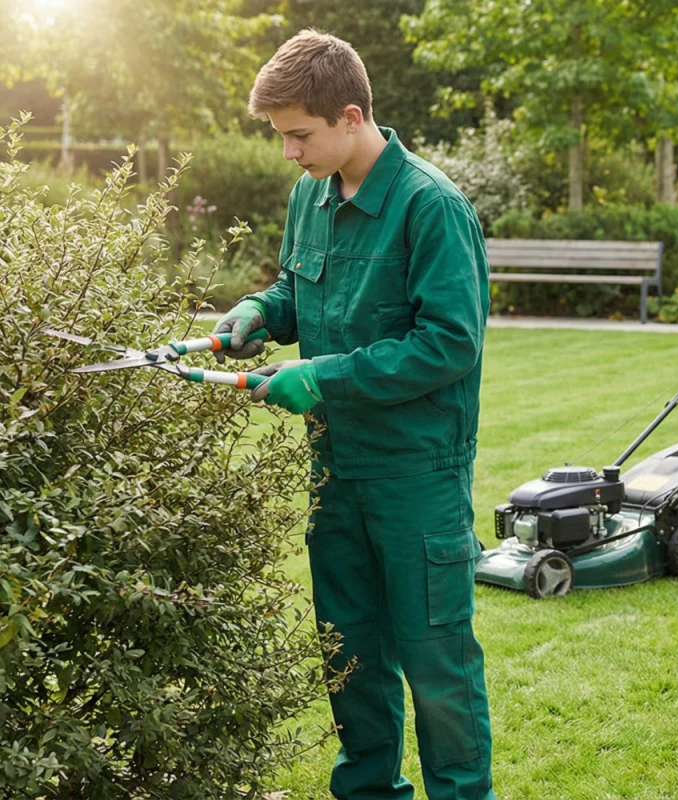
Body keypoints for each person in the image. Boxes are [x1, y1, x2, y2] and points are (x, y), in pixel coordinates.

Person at [213, 29, 495, 799]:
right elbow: (298, 294)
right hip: (335, 472)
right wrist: (256, 313)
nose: (288, 155)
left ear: (349, 115)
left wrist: (321, 379)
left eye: (299, 136)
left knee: (438, 667)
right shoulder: (311, 194)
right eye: (281, 138)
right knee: (351, 659)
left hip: (416, 477)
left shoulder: (431, 208)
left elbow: (448, 344)